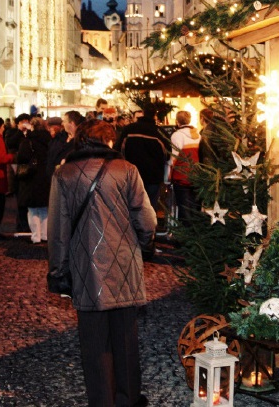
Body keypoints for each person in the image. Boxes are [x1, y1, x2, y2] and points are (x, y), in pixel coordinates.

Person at [47, 119, 156, 407]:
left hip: (86, 267)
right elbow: (146, 219)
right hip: (124, 261)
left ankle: (102, 400)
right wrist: (143, 246)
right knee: (125, 339)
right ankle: (128, 399)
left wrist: (58, 271)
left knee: (94, 342)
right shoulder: (127, 170)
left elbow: (58, 229)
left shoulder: (64, 174)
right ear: (109, 140)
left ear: (81, 140)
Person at [119, 106, 169, 213]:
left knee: (132, 206)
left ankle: (133, 229)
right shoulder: (159, 132)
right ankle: (150, 228)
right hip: (153, 176)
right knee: (150, 206)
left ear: (142, 114)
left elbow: (118, 149)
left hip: (131, 174)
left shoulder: (129, 129)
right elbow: (167, 154)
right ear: (155, 116)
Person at [15, 117, 53, 244]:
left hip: (31, 176)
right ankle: (45, 235)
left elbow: (21, 157)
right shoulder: (49, 140)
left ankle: (36, 236)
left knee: (32, 209)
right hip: (46, 176)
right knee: (44, 208)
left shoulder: (28, 141)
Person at [168, 110, 201, 224]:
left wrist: (169, 174)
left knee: (184, 209)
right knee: (195, 207)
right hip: (197, 175)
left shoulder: (177, 135)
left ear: (177, 122)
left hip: (181, 176)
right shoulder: (198, 135)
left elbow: (174, 157)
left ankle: (186, 236)